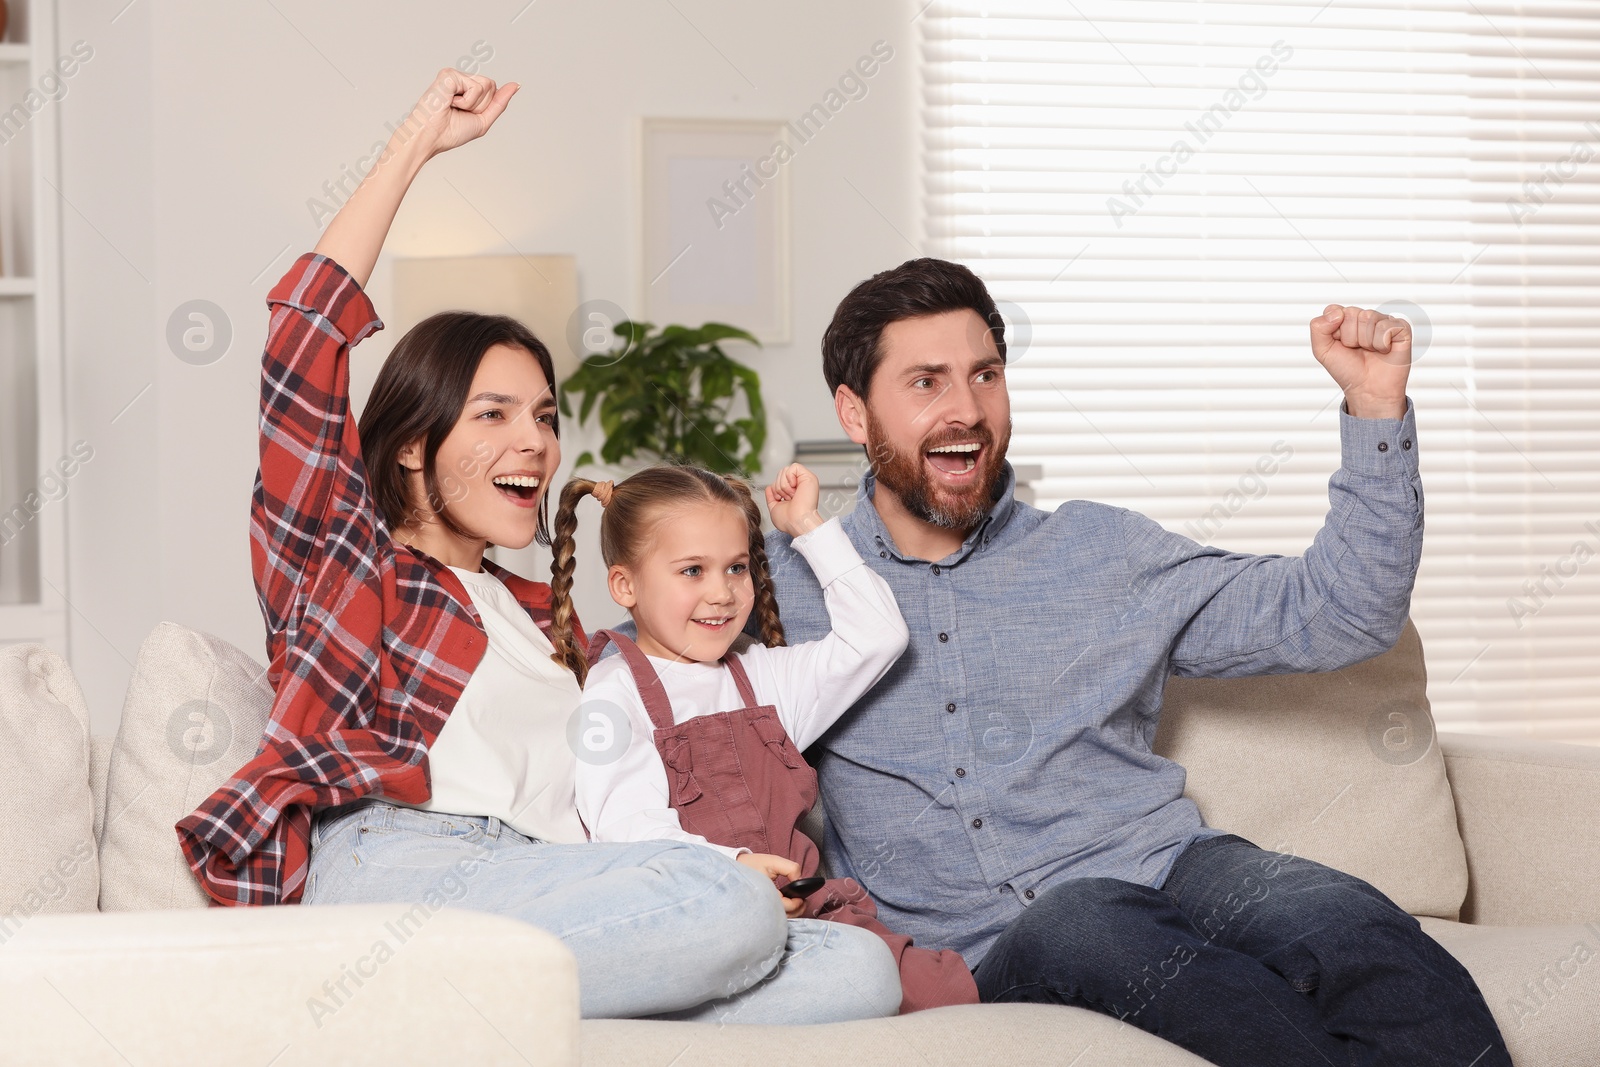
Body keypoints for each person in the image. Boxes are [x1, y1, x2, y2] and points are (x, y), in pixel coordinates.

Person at [174, 68, 858, 1022]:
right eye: (492, 414)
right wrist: (418, 139)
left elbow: (702, 634)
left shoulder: (554, 620)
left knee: (855, 971)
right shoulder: (347, 561)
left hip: (556, 882)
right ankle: (432, 993)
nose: (534, 440)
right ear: (414, 445)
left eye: (543, 414)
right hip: (401, 866)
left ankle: (496, 1016)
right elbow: (301, 342)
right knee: (726, 907)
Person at [749, 259, 1511, 1064]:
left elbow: (1342, 612)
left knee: (1343, 919)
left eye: (985, 375)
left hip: (1173, 868)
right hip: (981, 943)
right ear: (854, 411)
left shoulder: (1102, 552)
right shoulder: (772, 592)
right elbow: (632, 679)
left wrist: (1374, 406)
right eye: (926, 382)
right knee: (1086, 921)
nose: (966, 410)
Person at [554, 462, 978, 1019]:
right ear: (624, 585)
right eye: (692, 571)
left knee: (948, 991)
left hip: (813, 920)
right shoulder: (613, 690)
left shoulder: (761, 675)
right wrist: (736, 865)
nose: (722, 593)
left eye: (735, 568)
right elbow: (625, 829)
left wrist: (808, 526)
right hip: (711, 926)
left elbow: (879, 637)